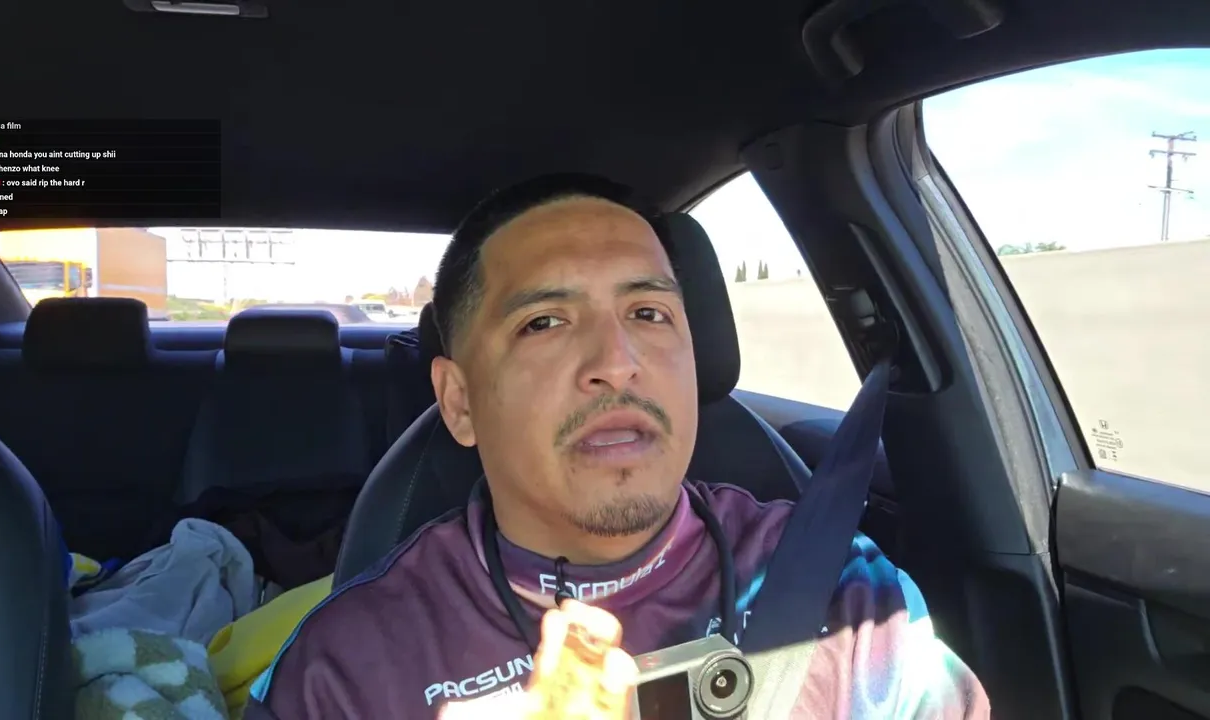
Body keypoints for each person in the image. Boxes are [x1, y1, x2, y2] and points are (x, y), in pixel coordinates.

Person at [244, 173, 991, 719]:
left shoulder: (846, 595)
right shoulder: (345, 669)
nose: (618, 360)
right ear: (460, 402)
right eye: (544, 322)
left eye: (648, 313)